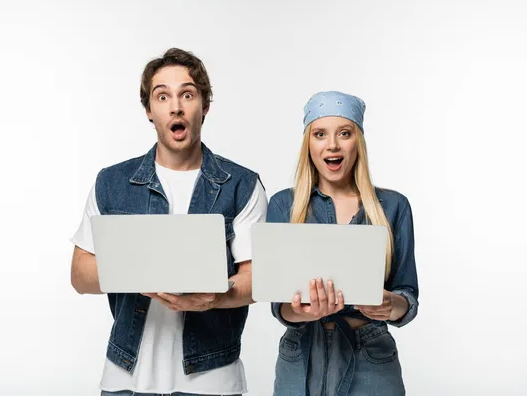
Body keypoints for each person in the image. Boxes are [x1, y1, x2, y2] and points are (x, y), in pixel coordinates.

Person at [70, 47, 267, 396]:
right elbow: (80, 275)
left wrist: (215, 298)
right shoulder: (111, 183)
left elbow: (258, 278)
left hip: (212, 381)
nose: (175, 106)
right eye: (162, 96)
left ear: (204, 106)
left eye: (187, 94)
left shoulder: (242, 185)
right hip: (124, 379)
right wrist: (137, 267)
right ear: (149, 110)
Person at [267, 91, 419, 395]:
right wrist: (306, 312)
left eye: (344, 133)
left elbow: (408, 296)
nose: (332, 144)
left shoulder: (393, 206)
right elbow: (279, 305)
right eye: (320, 134)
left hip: (371, 355)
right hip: (301, 357)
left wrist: (389, 305)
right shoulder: (284, 205)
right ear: (308, 144)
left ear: (357, 143)